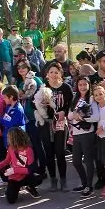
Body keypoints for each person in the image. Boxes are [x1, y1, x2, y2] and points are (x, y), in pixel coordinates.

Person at [41, 62, 73, 192]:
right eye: (51, 72)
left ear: (60, 74)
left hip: (60, 122)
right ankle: (53, 180)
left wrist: (64, 112)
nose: (54, 74)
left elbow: (71, 104)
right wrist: (42, 105)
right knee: (48, 152)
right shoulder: (43, 87)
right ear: (47, 74)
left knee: (60, 152)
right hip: (46, 122)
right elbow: (34, 103)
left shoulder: (66, 88)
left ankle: (63, 180)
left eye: (56, 72)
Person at [0, 127, 40, 203]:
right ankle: (14, 188)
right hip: (14, 178)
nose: (7, 139)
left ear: (15, 138)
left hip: (25, 176)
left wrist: (14, 170)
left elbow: (30, 169)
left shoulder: (28, 150)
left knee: (38, 178)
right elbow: (6, 161)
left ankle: (29, 187)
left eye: (8, 137)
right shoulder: (10, 148)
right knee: (11, 200)